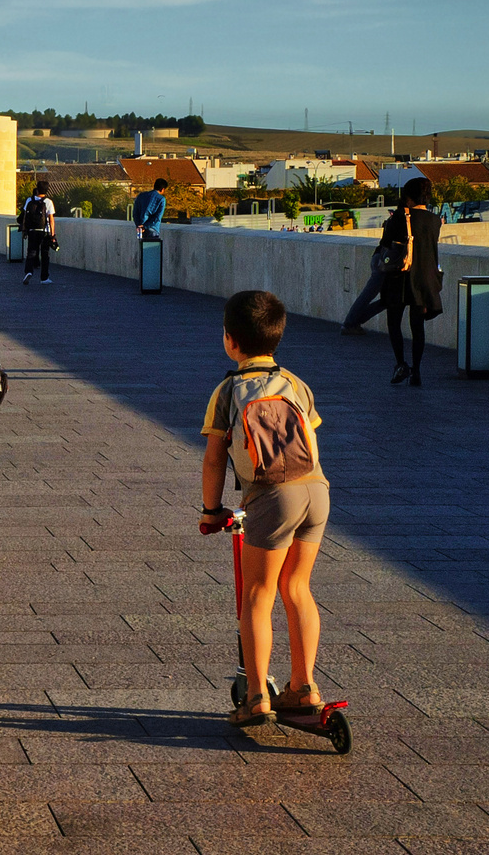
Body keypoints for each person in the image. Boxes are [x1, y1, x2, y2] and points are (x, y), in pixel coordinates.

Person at [199, 290, 329, 727]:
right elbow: (307, 440)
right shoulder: (296, 383)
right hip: (315, 491)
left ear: (230, 341)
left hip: (272, 496)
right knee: (298, 587)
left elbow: (215, 457)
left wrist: (211, 510)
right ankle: (304, 686)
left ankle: (256, 696)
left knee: (258, 593)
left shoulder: (228, 390)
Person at [381, 176, 443, 387]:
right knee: (417, 327)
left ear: (408, 196)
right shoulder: (435, 221)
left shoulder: (401, 217)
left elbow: (386, 244)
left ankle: (401, 364)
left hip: (400, 276)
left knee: (394, 322)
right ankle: (417, 371)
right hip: (424, 279)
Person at [20, 180, 55, 285]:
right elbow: (51, 220)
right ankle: (44, 278)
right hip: (44, 231)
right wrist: (52, 235)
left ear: (37, 189)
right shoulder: (48, 202)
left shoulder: (29, 200)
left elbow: (25, 216)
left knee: (31, 253)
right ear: (47, 190)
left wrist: (24, 230)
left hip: (32, 231)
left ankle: (28, 271)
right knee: (45, 254)